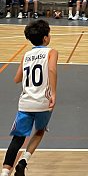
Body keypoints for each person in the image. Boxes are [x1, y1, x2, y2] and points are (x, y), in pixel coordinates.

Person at [0, 20, 58, 176]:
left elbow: (17, 79)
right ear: (46, 38)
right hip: (43, 102)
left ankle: (5, 172)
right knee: (39, 131)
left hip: (25, 102)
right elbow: (52, 70)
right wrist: (53, 93)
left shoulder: (26, 55)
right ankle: (24, 161)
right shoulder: (51, 52)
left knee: (17, 139)